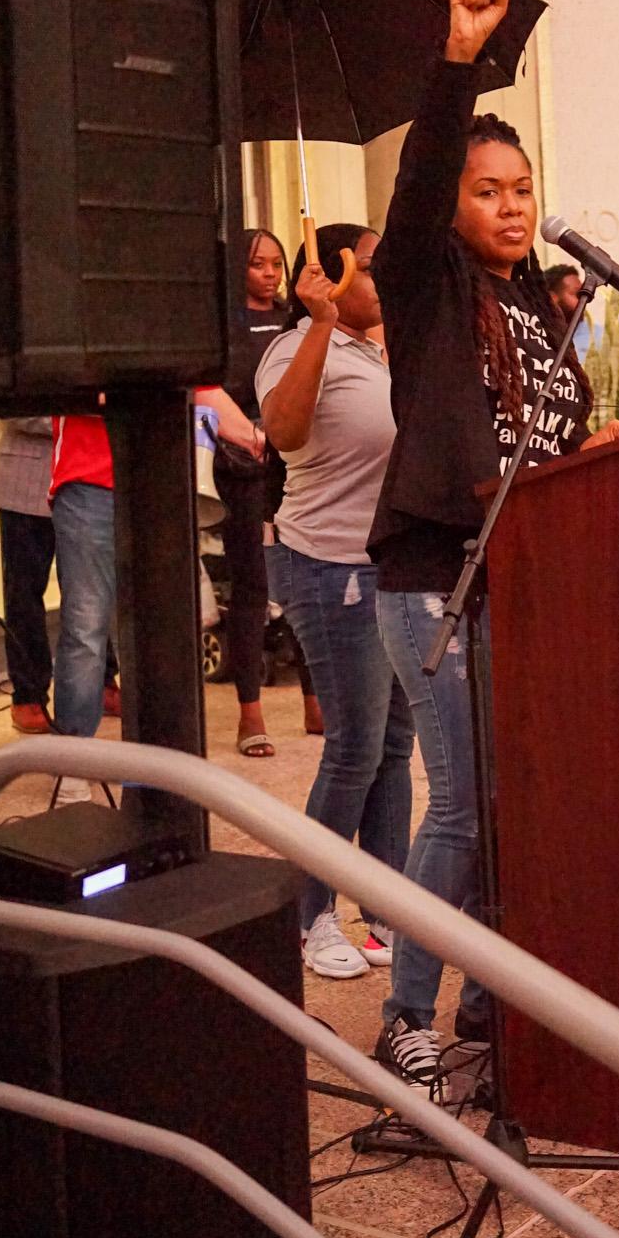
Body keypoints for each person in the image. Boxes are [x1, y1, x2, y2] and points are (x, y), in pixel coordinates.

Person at [367, 0, 619, 1084]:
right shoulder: (426, 284)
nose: (511, 209)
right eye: (488, 192)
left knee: (510, 807)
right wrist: (458, 62)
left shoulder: (538, 307)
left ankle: (485, 1008)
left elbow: (541, 456)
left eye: (522, 190)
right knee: (464, 809)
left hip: (516, 585)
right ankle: (403, 1016)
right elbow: (420, 181)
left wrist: (601, 450)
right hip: (434, 580)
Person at [258, 225, 414, 979]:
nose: (384, 278)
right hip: (328, 565)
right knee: (355, 747)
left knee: (394, 745)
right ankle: (309, 913)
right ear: (331, 272)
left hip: (395, 565)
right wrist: (320, 321)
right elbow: (283, 434)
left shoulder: (387, 348)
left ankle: (383, 911)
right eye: (372, 265)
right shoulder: (294, 346)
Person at [50, 386, 263, 797]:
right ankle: (72, 767)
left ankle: (150, 774)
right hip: (88, 484)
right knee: (86, 630)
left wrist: (258, 442)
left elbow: (204, 389)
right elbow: (76, 393)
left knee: (155, 638)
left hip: (160, 484)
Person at [213, 227, 323, 756]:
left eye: (276, 263)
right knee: (252, 586)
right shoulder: (223, 326)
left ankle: (315, 701)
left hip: (292, 465)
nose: (270, 273)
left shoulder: (291, 321)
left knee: (298, 577)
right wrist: (248, 434)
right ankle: (250, 714)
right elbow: (210, 398)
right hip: (241, 465)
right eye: (258, 263)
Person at [0, 418, 118, 733]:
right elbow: (14, 411)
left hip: (91, 473)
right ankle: (27, 695)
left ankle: (102, 682)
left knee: (91, 594)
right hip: (27, 479)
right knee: (24, 591)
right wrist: (74, 420)